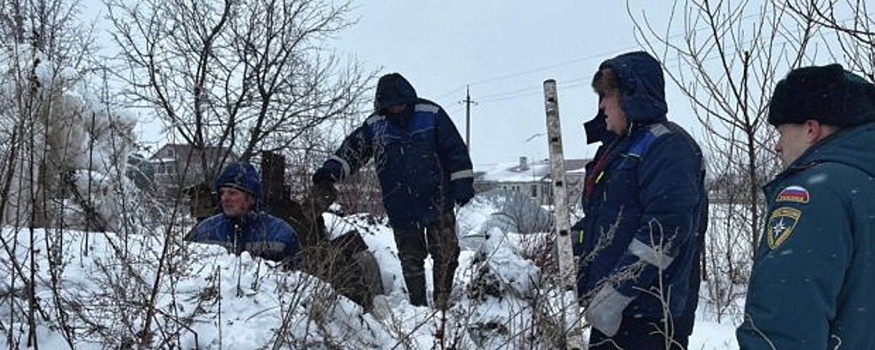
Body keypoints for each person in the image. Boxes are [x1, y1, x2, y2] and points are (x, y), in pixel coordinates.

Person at [571, 51, 706, 349]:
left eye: (608, 95)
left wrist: (615, 294)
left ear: (631, 97)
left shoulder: (668, 147)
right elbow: (607, 221)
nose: (602, 105)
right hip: (613, 316)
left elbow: (665, 232)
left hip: (649, 319)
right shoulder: (618, 149)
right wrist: (572, 242)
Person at [736, 64, 875, 349]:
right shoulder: (864, 182)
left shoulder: (814, 192)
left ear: (811, 129)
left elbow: (785, 325)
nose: (777, 146)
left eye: (782, 132)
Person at [312, 72, 474, 309]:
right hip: (400, 204)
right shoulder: (375, 126)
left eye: (400, 104)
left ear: (409, 99)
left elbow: (455, 151)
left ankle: (441, 303)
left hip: (437, 198)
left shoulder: (431, 115)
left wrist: (462, 184)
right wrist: (330, 171)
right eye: (391, 106)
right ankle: (417, 307)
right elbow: (353, 152)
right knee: (410, 259)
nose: (397, 109)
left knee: (445, 254)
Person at [186, 161, 301, 266]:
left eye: (232, 193)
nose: (225, 198)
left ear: (251, 198)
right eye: (222, 193)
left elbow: (301, 279)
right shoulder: (204, 231)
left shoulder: (281, 233)